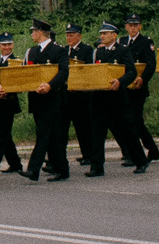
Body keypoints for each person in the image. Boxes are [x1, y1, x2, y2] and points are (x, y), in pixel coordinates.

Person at [89, 22, 147, 174]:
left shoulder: (122, 50)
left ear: (114, 35)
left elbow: (132, 72)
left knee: (127, 130)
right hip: (99, 98)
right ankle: (96, 166)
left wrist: (120, 82)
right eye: (101, 34)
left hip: (117, 98)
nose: (102, 36)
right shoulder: (97, 52)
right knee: (97, 132)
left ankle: (140, 160)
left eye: (105, 33)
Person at [21, 19, 70, 182]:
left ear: (40, 32)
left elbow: (63, 72)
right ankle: (62, 169)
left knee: (43, 134)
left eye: (33, 31)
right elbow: (24, 73)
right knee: (52, 135)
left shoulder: (58, 50)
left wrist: (50, 85)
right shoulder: (31, 52)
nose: (32, 34)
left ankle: (33, 169)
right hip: (36, 100)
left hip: (52, 99)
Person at [121, 14, 159, 163]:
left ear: (140, 27)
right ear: (126, 27)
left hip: (138, 87)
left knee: (134, 121)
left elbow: (151, 64)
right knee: (135, 121)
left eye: (135, 25)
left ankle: (133, 155)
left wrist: (143, 79)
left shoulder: (146, 42)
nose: (133, 28)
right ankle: (153, 150)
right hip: (125, 87)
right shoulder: (122, 42)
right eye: (130, 25)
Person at [0, 33, 24, 177]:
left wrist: (9, 90)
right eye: (4, 45)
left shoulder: (16, 62)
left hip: (8, 103)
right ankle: (15, 163)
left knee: (2, 135)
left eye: (9, 44)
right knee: (3, 134)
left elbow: (21, 83)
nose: (7, 47)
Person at [61, 23, 95, 169]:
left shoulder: (87, 50)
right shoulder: (64, 50)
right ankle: (59, 157)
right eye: (67, 35)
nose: (69, 38)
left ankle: (88, 154)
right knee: (63, 128)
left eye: (72, 35)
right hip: (66, 94)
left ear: (79, 36)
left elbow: (88, 70)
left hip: (81, 95)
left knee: (83, 126)